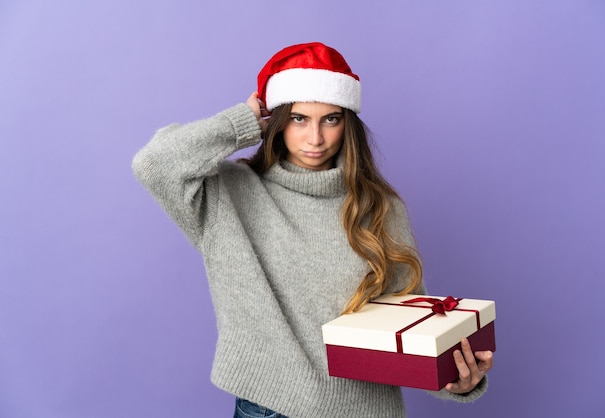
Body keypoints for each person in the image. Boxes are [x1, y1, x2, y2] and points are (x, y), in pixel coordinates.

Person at [132, 42, 493, 418]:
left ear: (347, 123)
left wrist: (459, 381)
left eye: (331, 119)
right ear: (274, 119)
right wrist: (241, 121)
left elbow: (410, 323)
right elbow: (154, 163)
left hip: (369, 411)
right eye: (299, 118)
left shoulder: (381, 207)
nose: (315, 138)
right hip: (272, 408)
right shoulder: (228, 195)